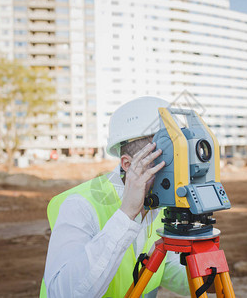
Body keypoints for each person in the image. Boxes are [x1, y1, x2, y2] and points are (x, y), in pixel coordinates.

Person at [41, 97, 190, 297]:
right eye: (166, 161)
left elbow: (166, 269)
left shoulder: (159, 204)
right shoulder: (81, 204)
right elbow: (63, 293)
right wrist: (127, 214)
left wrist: (207, 275)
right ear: (127, 165)